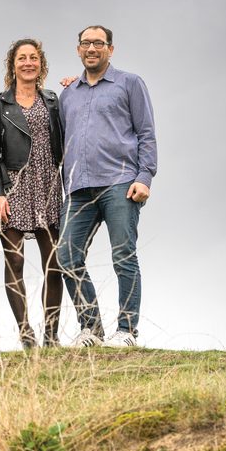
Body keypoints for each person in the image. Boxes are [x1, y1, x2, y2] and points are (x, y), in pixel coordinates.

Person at [56, 25, 157, 348]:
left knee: (123, 256)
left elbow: (146, 132)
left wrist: (144, 177)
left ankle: (126, 331)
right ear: (78, 49)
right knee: (66, 256)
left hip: (120, 183)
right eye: (86, 43)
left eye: (98, 43)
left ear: (110, 49)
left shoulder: (130, 83)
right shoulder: (68, 94)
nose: (92, 48)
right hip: (78, 189)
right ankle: (91, 329)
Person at [0, 39, 65, 348]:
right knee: (14, 262)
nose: (28, 63)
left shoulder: (53, 100)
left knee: (54, 263)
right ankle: (26, 333)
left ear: (41, 64)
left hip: (48, 185)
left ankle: (51, 335)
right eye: (22, 58)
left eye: (33, 58)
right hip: (13, 187)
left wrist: (73, 85)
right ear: (13, 64)